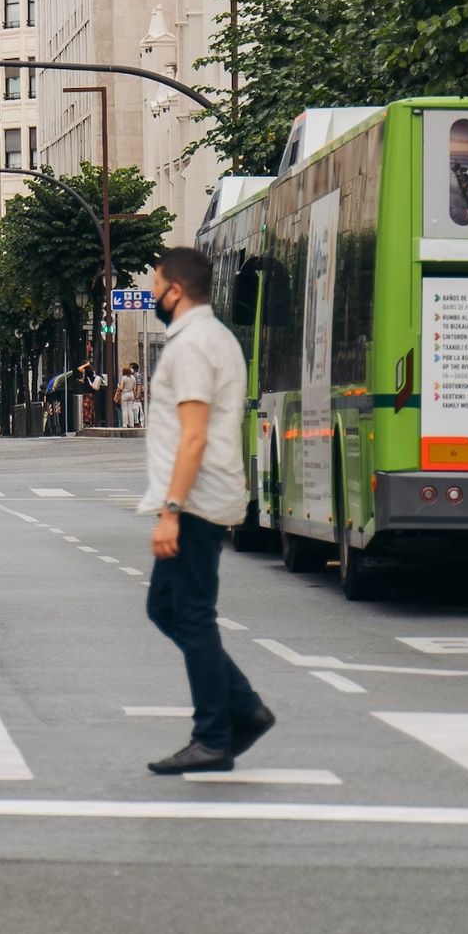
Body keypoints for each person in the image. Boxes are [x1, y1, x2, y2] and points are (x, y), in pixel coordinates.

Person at [139, 249, 271, 775]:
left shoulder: (193, 345)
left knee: (189, 614)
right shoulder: (212, 337)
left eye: (155, 286)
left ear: (176, 289)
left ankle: (214, 735)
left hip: (194, 499)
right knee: (167, 608)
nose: (151, 295)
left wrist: (171, 508)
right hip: (202, 495)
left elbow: (192, 436)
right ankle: (243, 708)